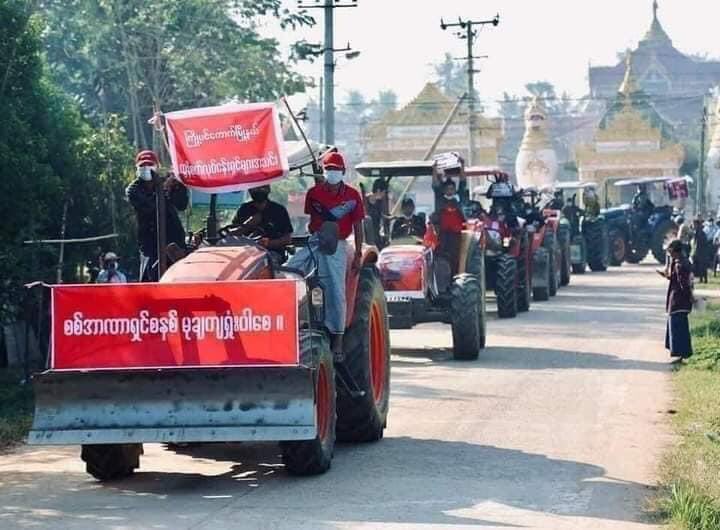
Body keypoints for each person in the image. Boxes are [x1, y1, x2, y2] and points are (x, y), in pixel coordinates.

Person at [287, 151, 365, 357]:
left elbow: (358, 225)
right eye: (328, 169)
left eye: (335, 170)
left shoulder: (352, 195)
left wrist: (358, 253)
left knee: (336, 291)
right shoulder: (314, 194)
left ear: (342, 172)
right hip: (316, 241)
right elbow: (312, 220)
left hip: (337, 244)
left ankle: (338, 339)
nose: (332, 173)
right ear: (324, 171)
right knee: (290, 270)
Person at [126, 150, 189, 282]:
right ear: (137, 169)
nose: (146, 169)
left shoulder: (168, 182)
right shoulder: (133, 189)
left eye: (150, 165)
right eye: (142, 166)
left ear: (156, 167)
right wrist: (161, 188)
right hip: (150, 243)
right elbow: (150, 208)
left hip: (174, 239)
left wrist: (178, 185)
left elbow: (181, 205)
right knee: (150, 276)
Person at [231, 185, 293, 264]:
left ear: (268, 189)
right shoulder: (244, 209)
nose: (258, 190)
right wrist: (248, 225)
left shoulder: (279, 210)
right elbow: (232, 235)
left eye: (262, 187)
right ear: (250, 190)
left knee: (261, 263)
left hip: (272, 253)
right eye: (255, 188)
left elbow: (287, 238)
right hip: (245, 252)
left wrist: (268, 244)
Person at [659, 239, 693, 362]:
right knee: (681, 328)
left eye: (670, 252)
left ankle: (680, 355)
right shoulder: (683, 262)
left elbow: (684, 284)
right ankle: (682, 355)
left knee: (677, 329)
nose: (669, 254)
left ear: (675, 252)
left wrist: (690, 296)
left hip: (678, 301)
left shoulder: (680, 265)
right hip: (680, 302)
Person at [432, 163, 466, 274]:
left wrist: (462, 166)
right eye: (448, 189)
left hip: (458, 236)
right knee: (442, 258)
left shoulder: (459, 199)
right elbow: (435, 185)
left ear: (455, 190)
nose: (450, 191)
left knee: (458, 259)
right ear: (444, 190)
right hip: (443, 236)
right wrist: (434, 169)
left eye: (452, 188)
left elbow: (462, 182)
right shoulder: (440, 200)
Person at [365, 178, 388, 248]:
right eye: (384, 192)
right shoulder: (364, 201)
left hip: (376, 235)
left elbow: (381, 215)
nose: (384, 194)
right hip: (366, 236)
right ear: (378, 190)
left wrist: (391, 218)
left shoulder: (379, 202)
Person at [691, 217, 710, 284]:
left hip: (700, 251)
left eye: (693, 224)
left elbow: (697, 243)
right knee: (701, 266)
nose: (693, 225)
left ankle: (703, 279)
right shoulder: (699, 231)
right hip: (701, 251)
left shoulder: (699, 232)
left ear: (696, 224)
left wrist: (695, 252)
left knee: (701, 266)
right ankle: (703, 279)